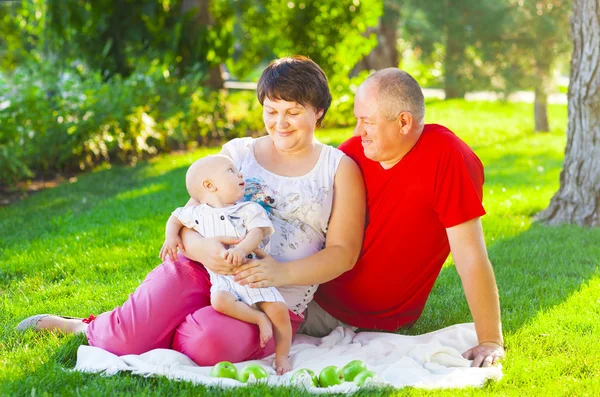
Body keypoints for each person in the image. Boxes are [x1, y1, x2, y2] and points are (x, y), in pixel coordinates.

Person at [17, 56, 366, 368]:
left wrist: (276, 273)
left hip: (272, 297)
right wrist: (208, 253)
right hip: (201, 270)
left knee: (206, 344)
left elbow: (343, 254)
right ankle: (89, 326)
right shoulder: (237, 153)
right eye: (271, 111)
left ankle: (168, 326)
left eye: (293, 112)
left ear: (318, 111)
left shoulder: (337, 169)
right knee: (118, 342)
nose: (280, 124)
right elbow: (189, 218)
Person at [232, 68, 505, 368]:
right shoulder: (351, 156)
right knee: (215, 303)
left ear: (404, 122)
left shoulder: (447, 156)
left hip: (347, 313)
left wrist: (490, 340)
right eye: (357, 119)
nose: (357, 131)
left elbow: (470, 256)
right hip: (307, 291)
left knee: (232, 338)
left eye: (368, 122)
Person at [159, 154, 293, 374]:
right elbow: (175, 217)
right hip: (223, 279)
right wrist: (170, 237)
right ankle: (258, 318)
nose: (240, 174)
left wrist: (241, 250)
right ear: (209, 185)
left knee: (279, 311)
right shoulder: (198, 213)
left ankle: (282, 355)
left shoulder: (248, 209)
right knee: (219, 300)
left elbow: (257, 232)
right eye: (231, 171)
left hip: (251, 272)